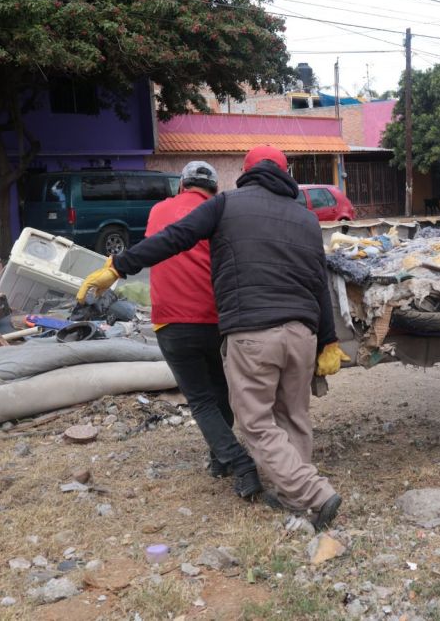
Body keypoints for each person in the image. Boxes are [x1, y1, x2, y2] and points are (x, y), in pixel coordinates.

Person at [77, 145, 345, 530]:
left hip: (253, 333)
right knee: (294, 416)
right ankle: (294, 494)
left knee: (254, 422)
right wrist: (329, 340)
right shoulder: (305, 219)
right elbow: (320, 283)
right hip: (302, 334)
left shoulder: (227, 206)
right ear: (286, 173)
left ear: (245, 171)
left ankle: (314, 493)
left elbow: (174, 238)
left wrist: (119, 266)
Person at [145, 161, 260, 500]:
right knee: (219, 389)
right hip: (217, 319)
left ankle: (238, 462)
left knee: (200, 400)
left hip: (171, 321)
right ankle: (219, 458)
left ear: (181, 185)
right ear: (212, 189)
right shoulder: (219, 211)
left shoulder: (158, 210)